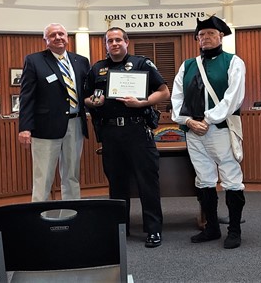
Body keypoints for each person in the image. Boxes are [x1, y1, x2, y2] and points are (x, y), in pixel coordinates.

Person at [84, 27, 170, 248]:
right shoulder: (97, 68)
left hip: (138, 131)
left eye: (118, 40)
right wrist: (93, 102)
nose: (114, 43)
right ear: (105, 44)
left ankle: (153, 230)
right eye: (110, 40)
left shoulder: (142, 64)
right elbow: (86, 97)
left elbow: (163, 91)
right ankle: (121, 229)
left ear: (126, 42)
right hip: (111, 134)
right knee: (117, 184)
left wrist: (143, 102)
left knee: (147, 183)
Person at [171, 16, 246, 249]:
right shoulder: (188, 65)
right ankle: (212, 227)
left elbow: (233, 98)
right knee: (204, 179)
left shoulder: (233, 62)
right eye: (201, 35)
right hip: (194, 131)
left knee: (231, 179)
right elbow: (177, 97)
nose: (205, 38)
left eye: (210, 34)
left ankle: (234, 230)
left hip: (221, 129)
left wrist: (208, 119)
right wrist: (187, 121)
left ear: (220, 36)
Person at [18, 23, 90, 202]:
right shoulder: (34, 60)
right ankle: (38, 221)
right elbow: (27, 97)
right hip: (45, 128)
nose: (58, 37)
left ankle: (72, 215)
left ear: (67, 38)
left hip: (75, 125)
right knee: (43, 178)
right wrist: (25, 128)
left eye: (61, 34)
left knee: (72, 176)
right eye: (52, 35)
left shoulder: (81, 61)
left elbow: (86, 91)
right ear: (46, 41)